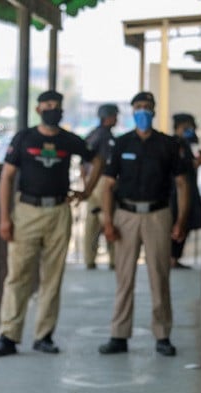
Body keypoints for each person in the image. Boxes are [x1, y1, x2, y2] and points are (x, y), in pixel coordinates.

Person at [0, 90, 102, 357]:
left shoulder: (68, 139)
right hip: (27, 210)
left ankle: (44, 335)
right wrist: (5, 217)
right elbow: (6, 178)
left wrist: (86, 192)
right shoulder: (24, 138)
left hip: (59, 211)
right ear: (38, 109)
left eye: (57, 106)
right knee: (19, 275)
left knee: (52, 276)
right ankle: (8, 335)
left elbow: (96, 159)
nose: (53, 109)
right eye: (48, 105)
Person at [98, 91, 189, 357]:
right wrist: (108, 220)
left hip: (158, 214)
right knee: (124, 277)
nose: (143, 112)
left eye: (147, 107)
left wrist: (180, 220)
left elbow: (182, 184)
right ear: (132, 111)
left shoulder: (168, 145)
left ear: (154, 110)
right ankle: (118, 334)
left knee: (159, 276)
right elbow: (107, 185)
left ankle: (162, 335)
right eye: (138, 107)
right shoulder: (122, 144)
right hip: (125, 215)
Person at [81, 103, 118, 270]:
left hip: (94, 182)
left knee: (93, 219)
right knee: (107, 217)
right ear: (108, 117)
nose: (116, 119)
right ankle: (114, 259)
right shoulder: (101, 136)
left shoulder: (98, 134)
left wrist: (87, 184)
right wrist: (88, 184)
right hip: (101, 181)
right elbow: (86, 161)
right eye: (115, 115)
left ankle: (90, 259)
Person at [169, 113, 201, 270]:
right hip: (175, 193)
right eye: (188, 127)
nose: (191, 130)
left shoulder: (184, 144)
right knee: (177, 223)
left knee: (184, 223)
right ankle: (172, 258)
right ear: (179, 127)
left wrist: (196, 163)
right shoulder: (173, 144)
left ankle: (175, 257)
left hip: (187, 190)